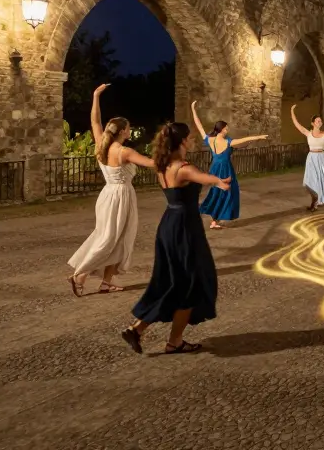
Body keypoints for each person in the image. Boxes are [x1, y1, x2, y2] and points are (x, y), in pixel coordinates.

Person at [120, 122, 230, 355]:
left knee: (174, 281)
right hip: (184, 229)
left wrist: (213, 180)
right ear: (181, 142)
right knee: (191, 282)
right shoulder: (182, 167)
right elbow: (202, 177)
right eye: (189, 138)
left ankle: (139, 330)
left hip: (170, 224)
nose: (191, 141)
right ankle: (173, 341)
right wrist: (217, 181)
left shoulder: (163, 165)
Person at [68, 84, 155, 296]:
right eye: (128, 128)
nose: (130, 130)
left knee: (116, 238)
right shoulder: (124, 151)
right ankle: (81, 274)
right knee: (109, 238)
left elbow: (95, 121)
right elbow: (151, 163)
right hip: (120, 195)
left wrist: (96, 95)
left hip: (108, 194)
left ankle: (106, 282)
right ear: (123, 131)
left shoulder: (102, 144)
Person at [191, 101, 267, 229]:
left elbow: (198, 125)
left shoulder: (210, 140)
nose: (228, 130)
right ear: (221, 130)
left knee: (217, 192)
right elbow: (244, 140)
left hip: (215, 168)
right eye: (226, 128)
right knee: (227, 193)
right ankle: (215, 219)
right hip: (225, 169)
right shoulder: (228, 142)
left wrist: (193, 109)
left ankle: (215, 220)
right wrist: (258, 136)